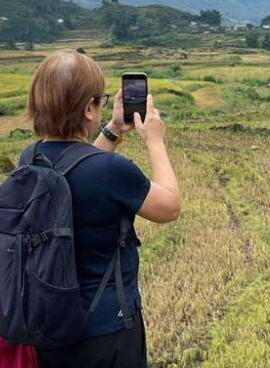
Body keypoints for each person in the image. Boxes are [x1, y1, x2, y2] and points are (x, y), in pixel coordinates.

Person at [26, 50, 181, 368]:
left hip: (49, 323)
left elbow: (76, 166)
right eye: (100, 99)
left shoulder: (31, 159)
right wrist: (155, 141)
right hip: (105, 328)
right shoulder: (111, 170)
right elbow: (169, 207)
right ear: (88, 109)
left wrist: (112, 130)